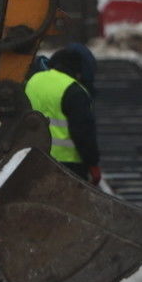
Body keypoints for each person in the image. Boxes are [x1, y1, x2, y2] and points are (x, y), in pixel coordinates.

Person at [24, 46, 101, 184]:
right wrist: (92, 163)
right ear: (79, 72)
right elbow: (83, 132)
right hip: (68, 165)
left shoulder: (33, 81)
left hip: (32, 157)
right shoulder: (74, 90)